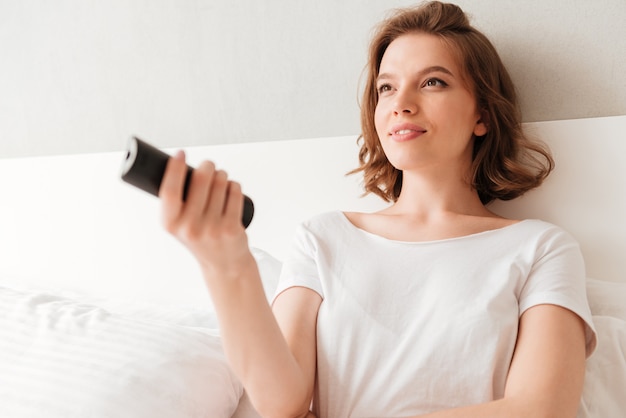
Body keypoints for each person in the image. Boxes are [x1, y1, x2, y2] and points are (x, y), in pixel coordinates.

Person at [159, 2, 596, 417]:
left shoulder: (540, 247)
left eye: (432, 82)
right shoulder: (322, 238)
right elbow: (282, 404)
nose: (400, 102)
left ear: (481, 114)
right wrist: (226, 264)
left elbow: (541, 409)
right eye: (386, 87)